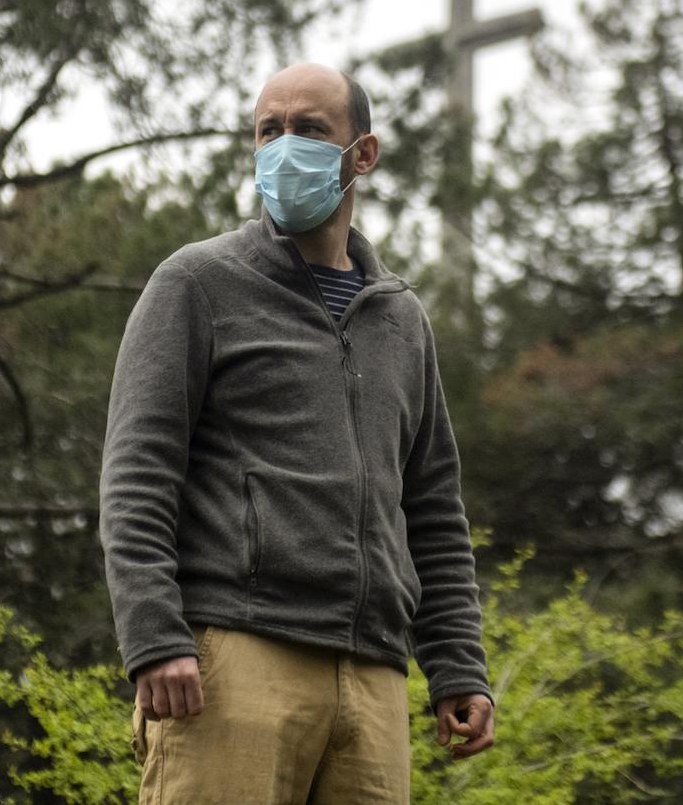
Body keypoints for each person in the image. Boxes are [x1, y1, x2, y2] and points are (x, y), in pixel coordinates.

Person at [98, 62, 497, 803]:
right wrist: (154, 637)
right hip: (235, 657)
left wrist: (457, 664)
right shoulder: (196, 284)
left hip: (375, 676)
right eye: (268, 131)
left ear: (363, 155)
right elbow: (137, 474)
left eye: (311, 130)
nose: (285, 147)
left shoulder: (403, 320)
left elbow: (434, 509)